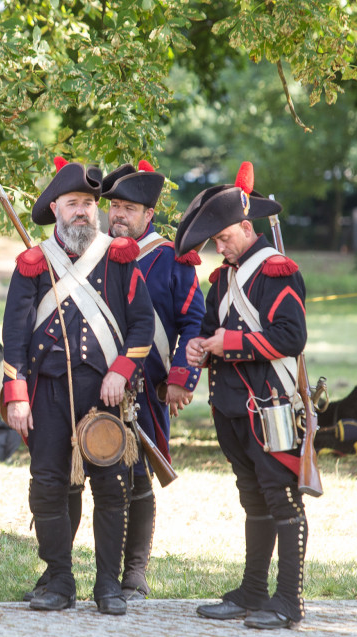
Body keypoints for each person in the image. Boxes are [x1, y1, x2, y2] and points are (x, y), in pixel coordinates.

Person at [2, 156, 154, 616]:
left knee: (112, 488)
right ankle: (59, 581)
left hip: (105, 393)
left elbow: (143, 325)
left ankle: (108, 585)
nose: (83, 211)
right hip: (47, 394)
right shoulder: (34, 263)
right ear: (55, 209)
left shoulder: (119, 256)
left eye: (89, 203)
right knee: (47, 487)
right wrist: (17, 394)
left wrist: (121, 371)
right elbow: (14, 335)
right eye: (73, 203)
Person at [178, 162, 309, 630]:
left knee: (282, 500)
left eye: (225, 236)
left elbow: (290, 337)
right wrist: (201, 345)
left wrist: (226, 345)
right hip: (232, 407)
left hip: (270, 406)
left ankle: (288, 600)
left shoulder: (276, 271)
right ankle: (253, 591)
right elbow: (213, 328)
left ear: (247, 227)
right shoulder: (224, 280)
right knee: (253, 500)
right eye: (215, 239)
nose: (219, 244)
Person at [101, 160, 205, 599]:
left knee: (140, 476)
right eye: (116, 206)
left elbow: (194, 320)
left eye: (129, 208)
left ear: (148, 215)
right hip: (96, 381)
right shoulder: (94, 252)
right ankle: (63, 572)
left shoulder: (172, 259)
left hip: (147, 387)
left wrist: (182, 376)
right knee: (90, 474)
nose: (119, 215)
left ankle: (135, 570)